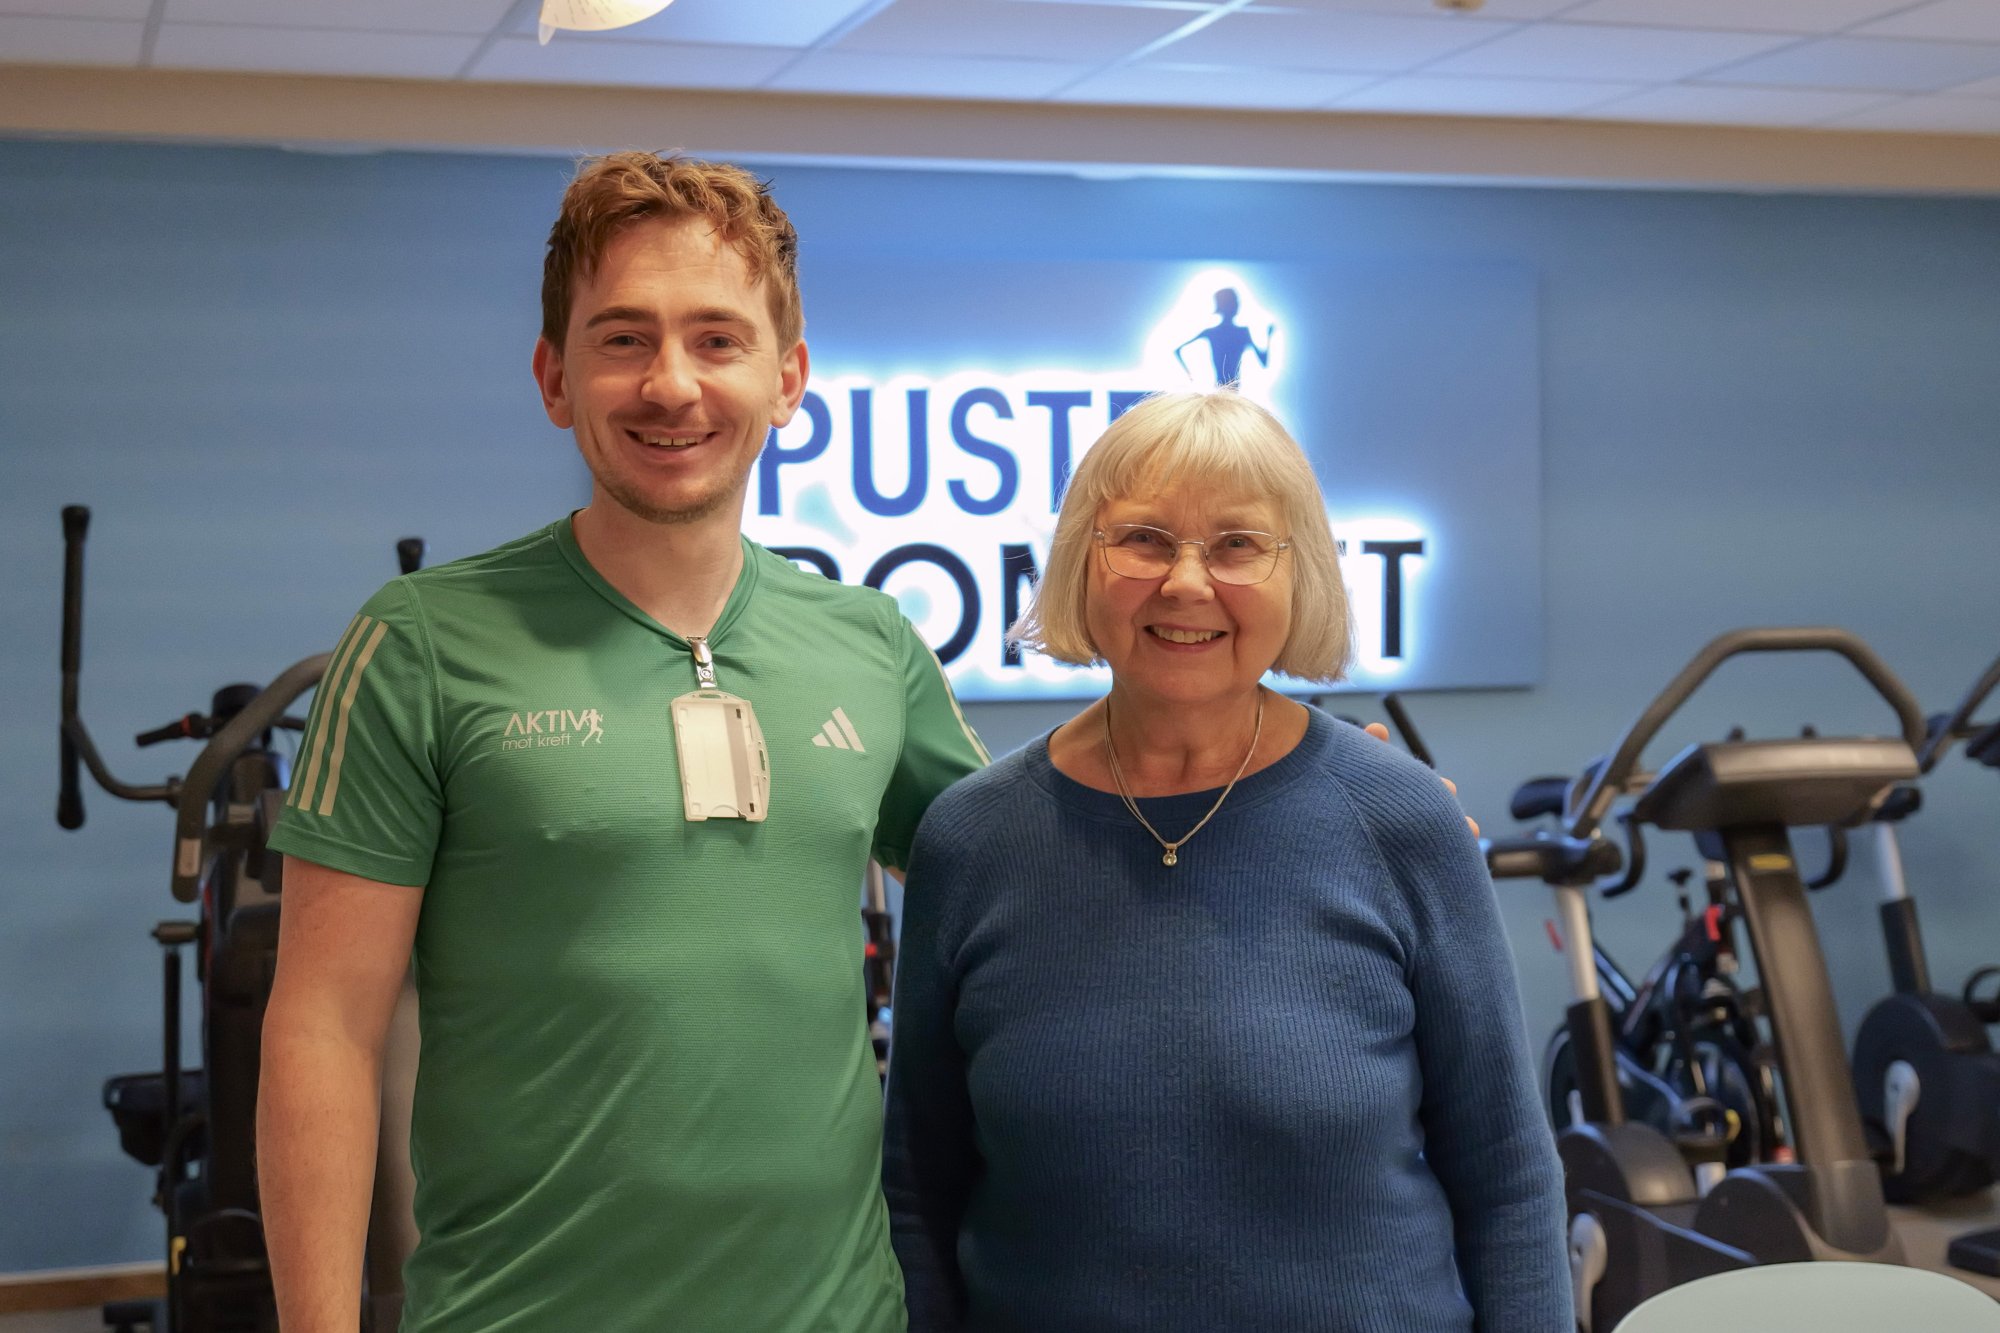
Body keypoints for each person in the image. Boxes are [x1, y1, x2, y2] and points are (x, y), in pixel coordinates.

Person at [257, 153, 990, 1333]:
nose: (670, 384)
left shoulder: (869, 643)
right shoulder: (420, 644)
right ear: (555, 377)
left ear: (787, 378)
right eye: (622, 339)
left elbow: (1026, 880)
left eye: (716, 339)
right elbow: (322, 1030)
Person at [881, 390, 1570, 1332]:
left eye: (1238, 544)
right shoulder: (973, 839)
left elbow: (1508, 1177)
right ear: (1083, 558)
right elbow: (918, 1193)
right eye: (1144, 540)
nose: (1186, 582)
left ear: (1300, 572)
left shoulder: (1403, 821)